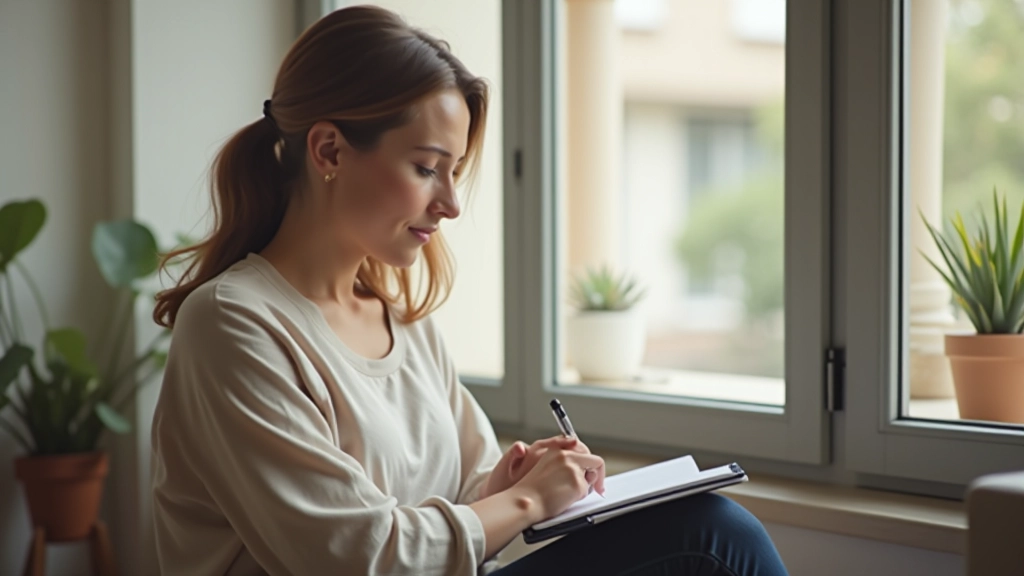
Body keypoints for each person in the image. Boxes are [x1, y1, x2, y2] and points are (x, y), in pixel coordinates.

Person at [149, 5, 789, 576]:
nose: (451, 203)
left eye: (453, 172)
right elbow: (353, 556)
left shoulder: (402, 321)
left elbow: (466, 497)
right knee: (709, 538)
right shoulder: (233, 324)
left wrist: (508, 480)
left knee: (711, 528)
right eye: (427, 168)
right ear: (329, 150)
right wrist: (529, 498)